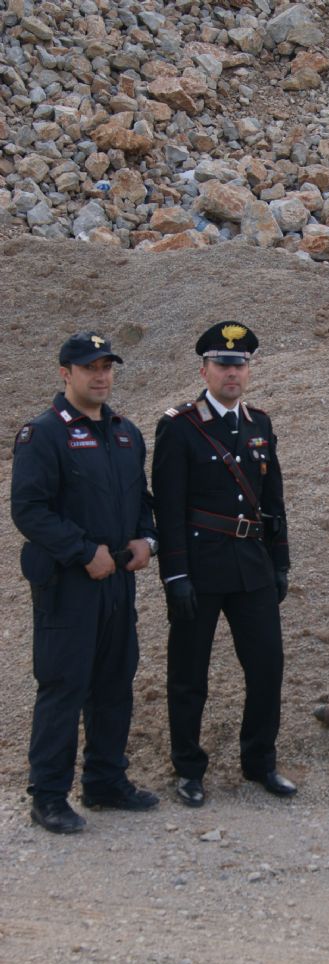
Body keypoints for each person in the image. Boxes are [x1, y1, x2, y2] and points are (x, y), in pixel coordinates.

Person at [11, 332, 160, 835]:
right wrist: (83, 551)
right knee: (64, 686)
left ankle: (104, 782)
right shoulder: (44, 433)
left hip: (118, 581)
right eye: (89, 367)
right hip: (69, 586)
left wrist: (147, 539)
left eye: (107, 367)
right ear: (65, 374)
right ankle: (49, 795)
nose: (100, 376)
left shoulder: (125, 433)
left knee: (114, 683)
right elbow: (29, 510)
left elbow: (141, 498)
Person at [151, 321, 294, 808]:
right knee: (189, 674)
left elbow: (273, 500)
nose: (232, 373)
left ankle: (260, 763)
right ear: (204, 369)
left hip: (251, 566)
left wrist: (280, 563)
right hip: (199, 568)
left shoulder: (260, 424)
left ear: (248, 370)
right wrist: (174, 575)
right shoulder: (180, 425)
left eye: (240, 364)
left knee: (267, 666)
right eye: (223, 364)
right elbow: (167, 508)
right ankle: (188, 768)